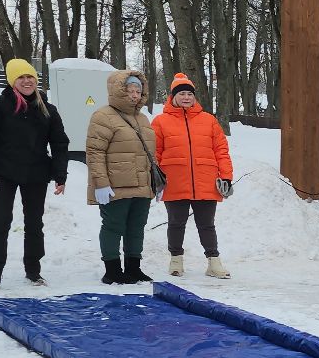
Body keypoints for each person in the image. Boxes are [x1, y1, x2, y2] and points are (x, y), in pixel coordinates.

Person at [0, 58, 68, 289]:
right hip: (4, 172)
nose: (27, 81)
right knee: (0, 222)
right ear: (12, 81)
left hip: (36, 173)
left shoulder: (47, 108)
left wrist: (60, 175)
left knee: (35, 223)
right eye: (21, 77)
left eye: (30, 77)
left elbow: (59, 143)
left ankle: (33, 271)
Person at [152, 72, 235, 279]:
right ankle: (176, 261)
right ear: (173, 97)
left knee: (207, 224)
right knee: (176, 223)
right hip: (174, 181)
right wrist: (155, 177)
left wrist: (226, 176)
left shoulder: (209, 120)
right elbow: (154, 153)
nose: (186, 97)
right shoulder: (160, 122)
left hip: (205, 181)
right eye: (182, 94)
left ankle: (213, 263)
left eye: (190, 93)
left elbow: (221, 151)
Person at [86, 68, 157, 285]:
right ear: (118, 90)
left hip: (141, 186)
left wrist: (154, 182)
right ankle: (112, 270)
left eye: (138, 90)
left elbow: (148, 155)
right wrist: (101, 184)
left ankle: (133, 268)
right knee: (113, 227)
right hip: (115, 186)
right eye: (130, 89)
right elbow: (95, 152)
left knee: (136, 228)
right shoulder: (103, 116)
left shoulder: (143, 119)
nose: (135, 94)